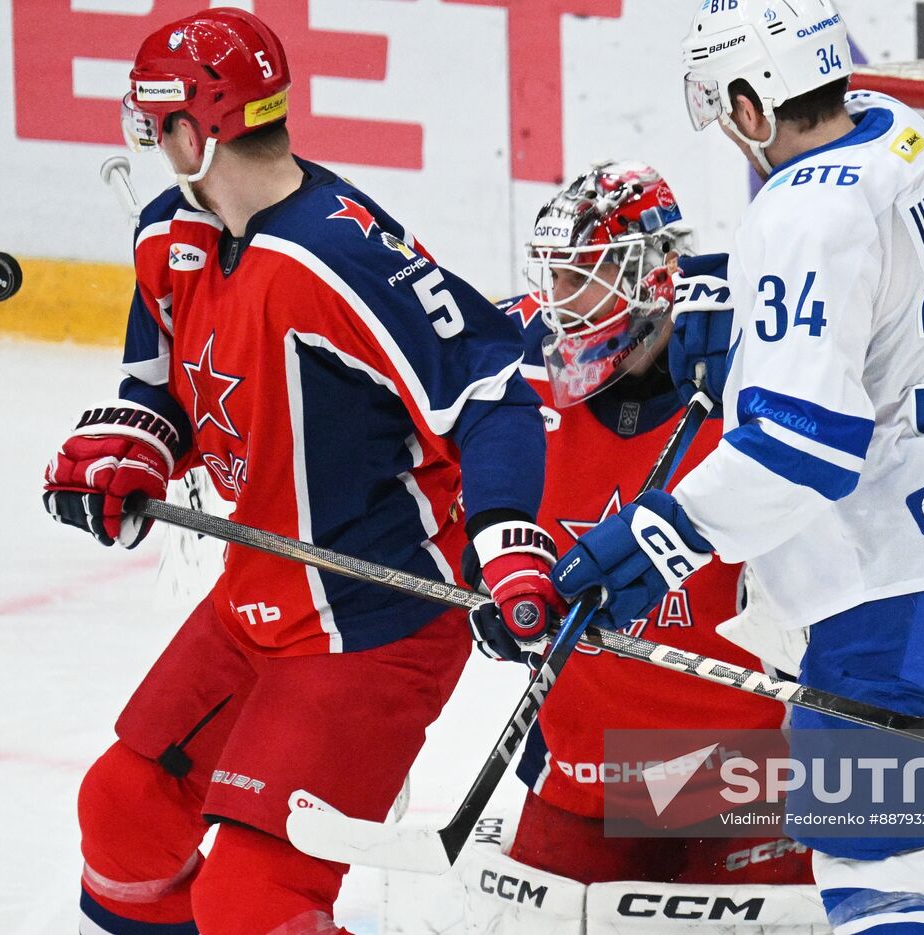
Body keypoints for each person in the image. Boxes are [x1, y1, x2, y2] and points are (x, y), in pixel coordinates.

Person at [549, 2, 924, 933]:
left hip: (910, 607)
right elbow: (865, 290)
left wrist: (655, 537)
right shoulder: (896, 131)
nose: (724, 128)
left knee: (865, 878)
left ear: (755, 107)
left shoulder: (801, 212)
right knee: (895, 835)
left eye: (724, 106)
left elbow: (804, 451)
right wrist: (755, 321)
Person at [41, 9, 561, 934]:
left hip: (374, 623)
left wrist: (508, 537)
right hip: (256, 599)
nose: (153, 141)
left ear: (198, 131)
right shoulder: (172, 235)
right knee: (122, 818)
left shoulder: (341, 250)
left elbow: (494, 394)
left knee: (253, 901)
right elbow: (164, 391)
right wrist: (131, 451)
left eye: (162, 122)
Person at [468, 160, 814, 888]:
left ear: (656, 274)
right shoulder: (515, 361)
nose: (559, 303)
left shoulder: (755, 366)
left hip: (749, 774)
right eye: (552, 276)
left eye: (584, 276)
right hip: (589, 769)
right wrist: (480, 571)